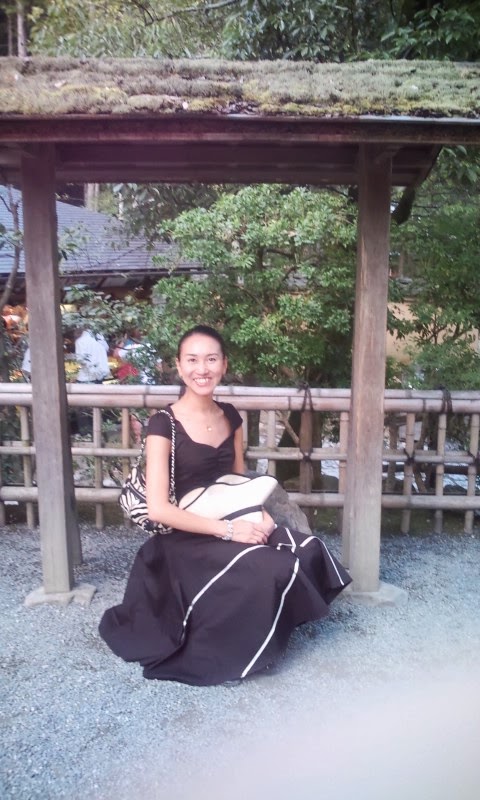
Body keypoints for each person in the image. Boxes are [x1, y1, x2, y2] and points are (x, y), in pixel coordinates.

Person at [99, 324, 351, 686]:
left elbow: (236, 481)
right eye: (192, 360)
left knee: (307, 548)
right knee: (273, 567)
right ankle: (235, 647)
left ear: (224, 364)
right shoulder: (163, 424)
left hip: (228, 517)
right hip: (184, 535)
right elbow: (158, 509)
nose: (202, 369)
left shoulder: (230, 416)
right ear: (179, 366)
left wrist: (259, 514)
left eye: (211, 359)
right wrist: (230, 530)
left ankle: (268, 623)